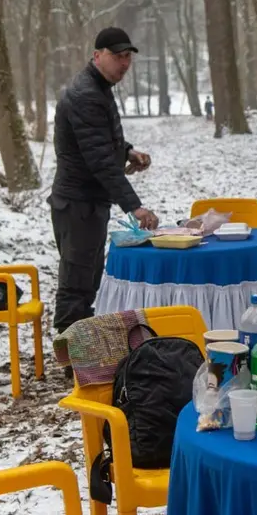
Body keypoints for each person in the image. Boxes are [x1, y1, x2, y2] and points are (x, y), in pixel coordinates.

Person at [49, 26, 159, 337]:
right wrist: (134, 207)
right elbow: (98, 160)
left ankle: (80, 354)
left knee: (87, 281)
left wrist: (127, 151)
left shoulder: (99, 89)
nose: (124, 63)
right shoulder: (86, 94)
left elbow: (99, 140)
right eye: (117, 56)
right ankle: (71, 362)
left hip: (89, 203)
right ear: (97, 56)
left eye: (128, 57)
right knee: (76, 285)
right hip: (77, 204)